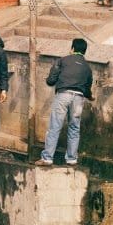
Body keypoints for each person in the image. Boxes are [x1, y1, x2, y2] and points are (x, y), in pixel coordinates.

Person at [40, 38, 94, 167]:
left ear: (72, 48)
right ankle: (71, 159)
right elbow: (87, 88)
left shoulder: (62, 60)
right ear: (85, 51)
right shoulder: (87, 67)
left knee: (55, 126)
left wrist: (50, 80)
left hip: (64, 95)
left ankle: (47, 158)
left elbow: (51, 80)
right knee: (74, 128)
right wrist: (90, 97)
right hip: (79, 98)